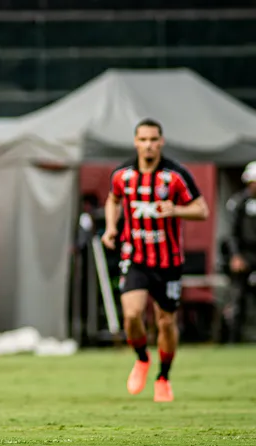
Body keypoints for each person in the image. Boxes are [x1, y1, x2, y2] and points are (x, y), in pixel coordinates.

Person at [102, 119, 209, 402]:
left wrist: (174, 209)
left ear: (161, 142)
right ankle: (141, 358)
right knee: (132, 315)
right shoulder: (122, 175)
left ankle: (163, 377)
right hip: (135, 257)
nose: (148, 145)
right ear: (135, 142)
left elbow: (202, 209)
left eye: (153, 140)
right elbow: (112, 199)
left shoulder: (175, 176)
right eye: (143, 139)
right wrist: (112, 227)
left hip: (168, 262)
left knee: (165, 323)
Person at [225, 161, 256, 342]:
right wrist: (235, 256)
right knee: (237, 298)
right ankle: (233, 340)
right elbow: (232, 233)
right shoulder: (238, 203)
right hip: (244, 254)